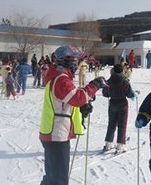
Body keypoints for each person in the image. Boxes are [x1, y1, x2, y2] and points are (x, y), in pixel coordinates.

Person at [39, 45, 107, 185]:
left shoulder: (59, 78)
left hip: (55, 133)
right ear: (65, 61)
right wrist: (94, 85)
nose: (76, 64)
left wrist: (82, 108)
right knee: (58, 180)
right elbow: (77, 98)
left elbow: (68, 102)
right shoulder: (61, 79)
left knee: (53, 177)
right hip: (56, 134)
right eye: (74, 61)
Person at [102, 64, 136, 153]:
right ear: (122, 71)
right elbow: (129, 93)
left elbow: (105, 93)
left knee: (111, 123)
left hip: (112, 103)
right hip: (122, 104)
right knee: (122, 124)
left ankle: (108, 143)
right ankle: (120, 145)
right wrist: (133, 94)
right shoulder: (124, 81)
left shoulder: (109, 81)